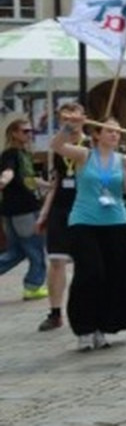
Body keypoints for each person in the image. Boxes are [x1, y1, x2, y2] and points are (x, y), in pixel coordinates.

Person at [49, 108, 126, 351]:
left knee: (113, 276)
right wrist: (70, 126)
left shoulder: (123, 159)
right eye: (110, 130)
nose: (115, 135)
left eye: (118, 131)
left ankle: (103, 327)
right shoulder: (85, 155)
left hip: (115, 222)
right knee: (90, 273)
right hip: (85, 221)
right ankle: (84, 327)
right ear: (97, 134)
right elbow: (57, 145)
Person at [35, 103, 86, 331]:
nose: (68, 121)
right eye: (63, 118)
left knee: (86, 263)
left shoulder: (92, 144)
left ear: (84, 118)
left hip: (85, 209)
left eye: (73, 117)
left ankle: (87, 310)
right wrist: (44, 213)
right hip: (60, 209)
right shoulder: (59, 145)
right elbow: (56, 183)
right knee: (56, 261)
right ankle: (55, 313)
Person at [0, 117, 47, 302]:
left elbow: (30, 179)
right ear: (14, 133)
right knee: (35, 248)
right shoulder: (10, 154)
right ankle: (33, 286)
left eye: (31, 131)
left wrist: (50, 186)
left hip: (17, 209)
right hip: (23, 209)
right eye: (25, 131)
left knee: (16, 251)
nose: (29, 134)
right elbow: (8, 171)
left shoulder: (25, 155)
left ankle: (32, 285)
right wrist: (4, 179)